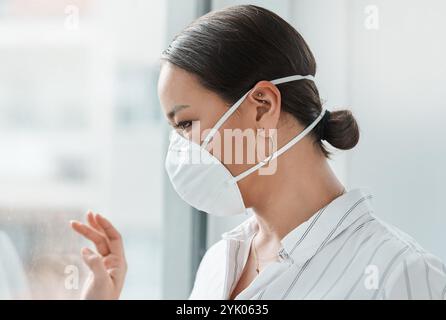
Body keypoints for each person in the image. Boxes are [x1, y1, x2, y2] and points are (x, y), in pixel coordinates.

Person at [71, 5, 446, 300]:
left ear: (263, 105)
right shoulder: (221, 262)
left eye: (186, 124)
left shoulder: (401, 276)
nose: (180, 150)